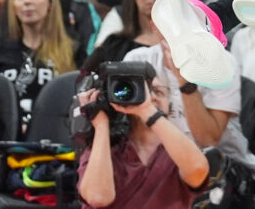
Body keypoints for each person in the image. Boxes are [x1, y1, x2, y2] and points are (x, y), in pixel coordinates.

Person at [76, 61, 210, 208]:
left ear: (170, 107)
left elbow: (198, 170)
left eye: (158, 92)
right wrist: (101, 124)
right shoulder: (106, 150)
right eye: (143, 90)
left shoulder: (178, 150)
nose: (150, 97)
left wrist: (147, 110)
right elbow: (97, 198)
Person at [0, 0, 74, 134]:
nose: (27, 1)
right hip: (7, 139)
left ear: (50, 2)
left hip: (54, 141)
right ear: (13, 6)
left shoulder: (72, 51)